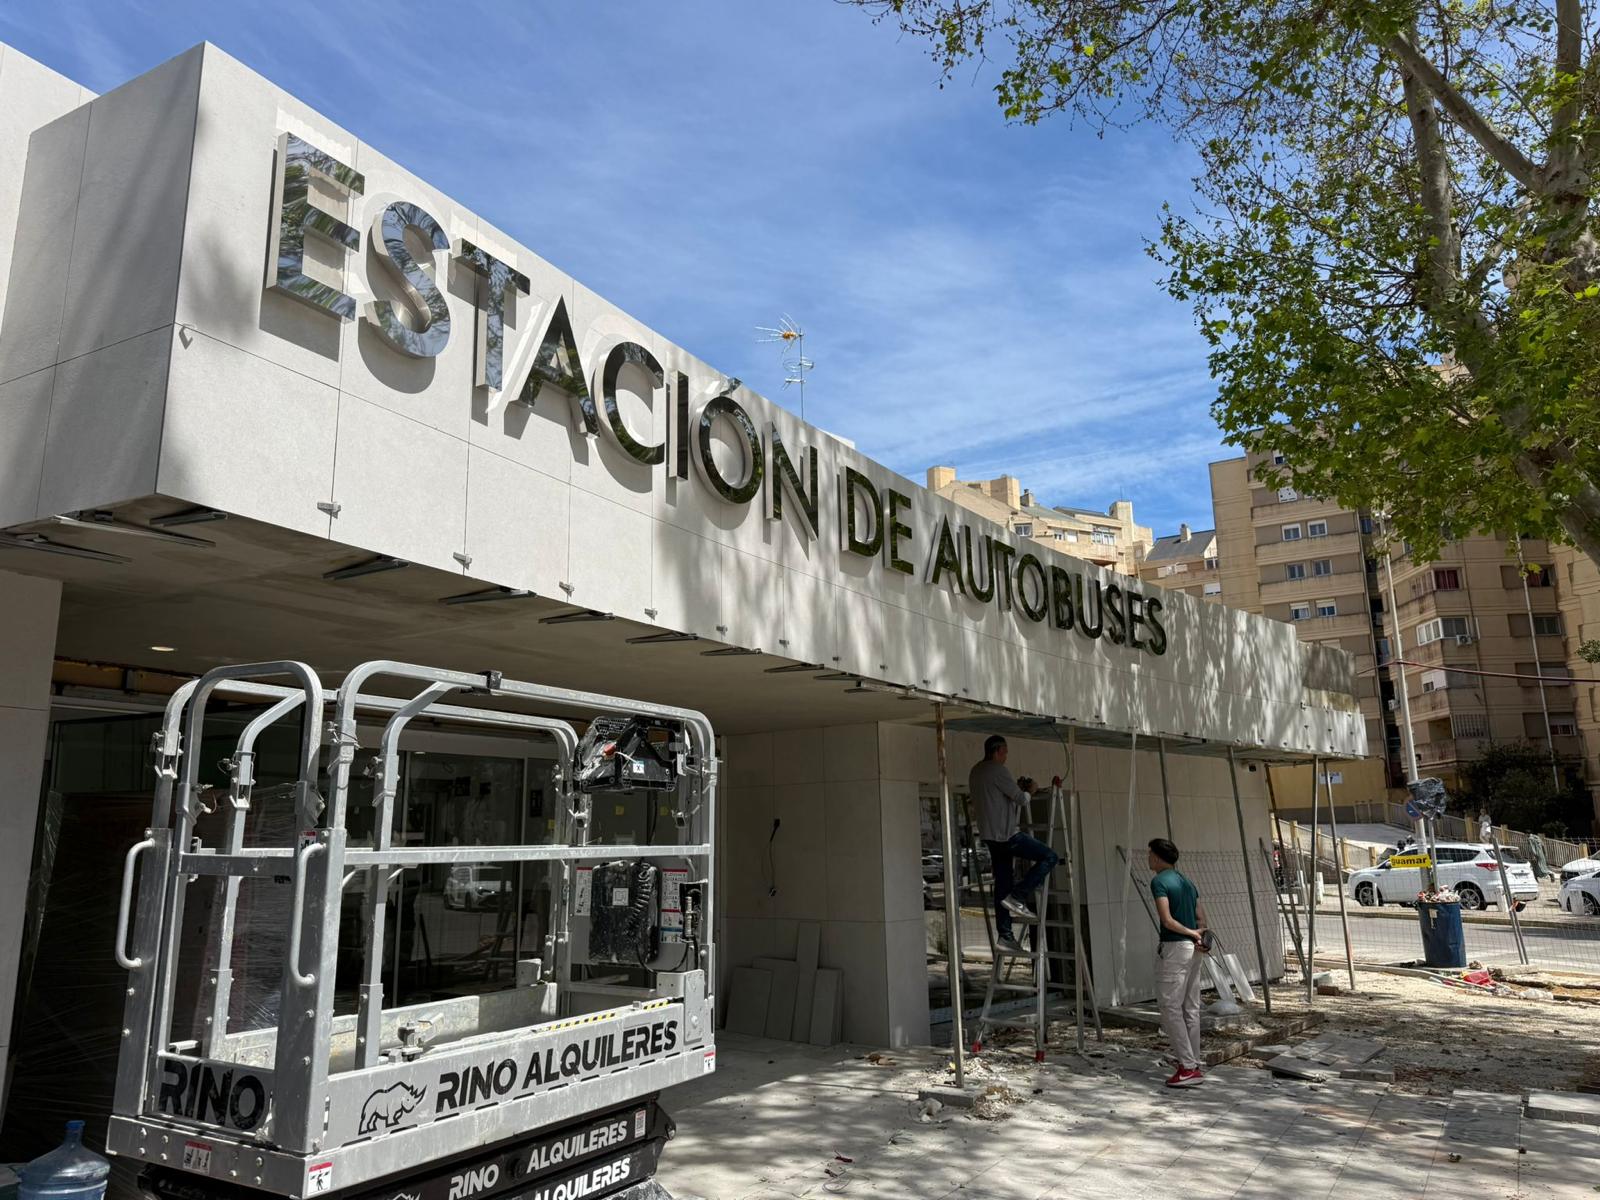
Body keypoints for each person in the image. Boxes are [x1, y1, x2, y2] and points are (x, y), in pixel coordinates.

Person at [969, 735, 1059, 954]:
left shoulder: (976, 771)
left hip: (990, 836)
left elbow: (999, 797)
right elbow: (1021, 799)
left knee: (1003, 883)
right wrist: (1031, 790)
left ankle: (1005, 935)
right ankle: (1019, 896)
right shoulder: (997, 770)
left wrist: (1015, 788)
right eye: (1005, 752)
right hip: (1007, 835)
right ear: (997, 750)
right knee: (1050, 857)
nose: (1006, 756)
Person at [1148, 837, 1209, 1088]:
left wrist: (1189, 933)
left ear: (1158, 857)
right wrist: (1198, 934)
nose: (1148, 858)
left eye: (1150, 854)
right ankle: (1193, 1061)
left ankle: (1187, 1067)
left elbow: (1167, 920)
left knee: (1170, 1007)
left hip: (1175, 947)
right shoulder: (1187, 881)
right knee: (1190, 1007)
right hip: (1194, 949)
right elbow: (1202, 917)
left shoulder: (1159, 881)